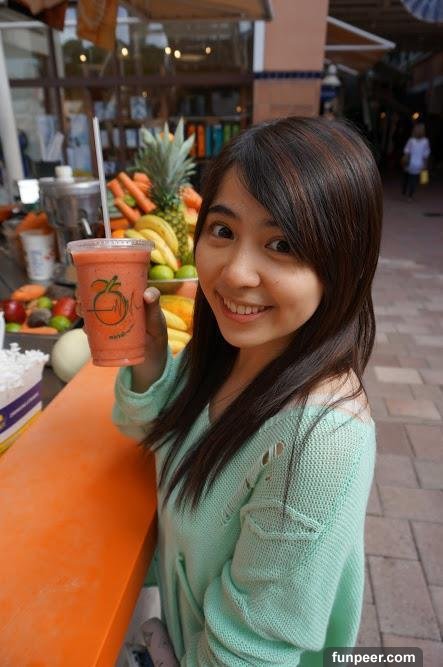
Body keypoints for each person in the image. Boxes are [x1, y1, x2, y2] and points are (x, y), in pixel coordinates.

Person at [112, 117, 382, 666]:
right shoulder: (228, 352)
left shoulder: (316, 443)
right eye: (223, 231)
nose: (236, 274)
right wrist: (151, 361)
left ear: (346, 264)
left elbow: (248, 655)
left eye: (281, 244)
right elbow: (153, 434)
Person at [401, 123, 430, 200]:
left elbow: (406, 151)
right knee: (414, 180)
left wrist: (405, 158)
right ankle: (410, 196)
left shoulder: (411, 140)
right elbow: (426, 154)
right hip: (419, 164)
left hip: (409, 162)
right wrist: (425, 164)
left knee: (406, 177)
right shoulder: (426, 141)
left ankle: (404, 190)